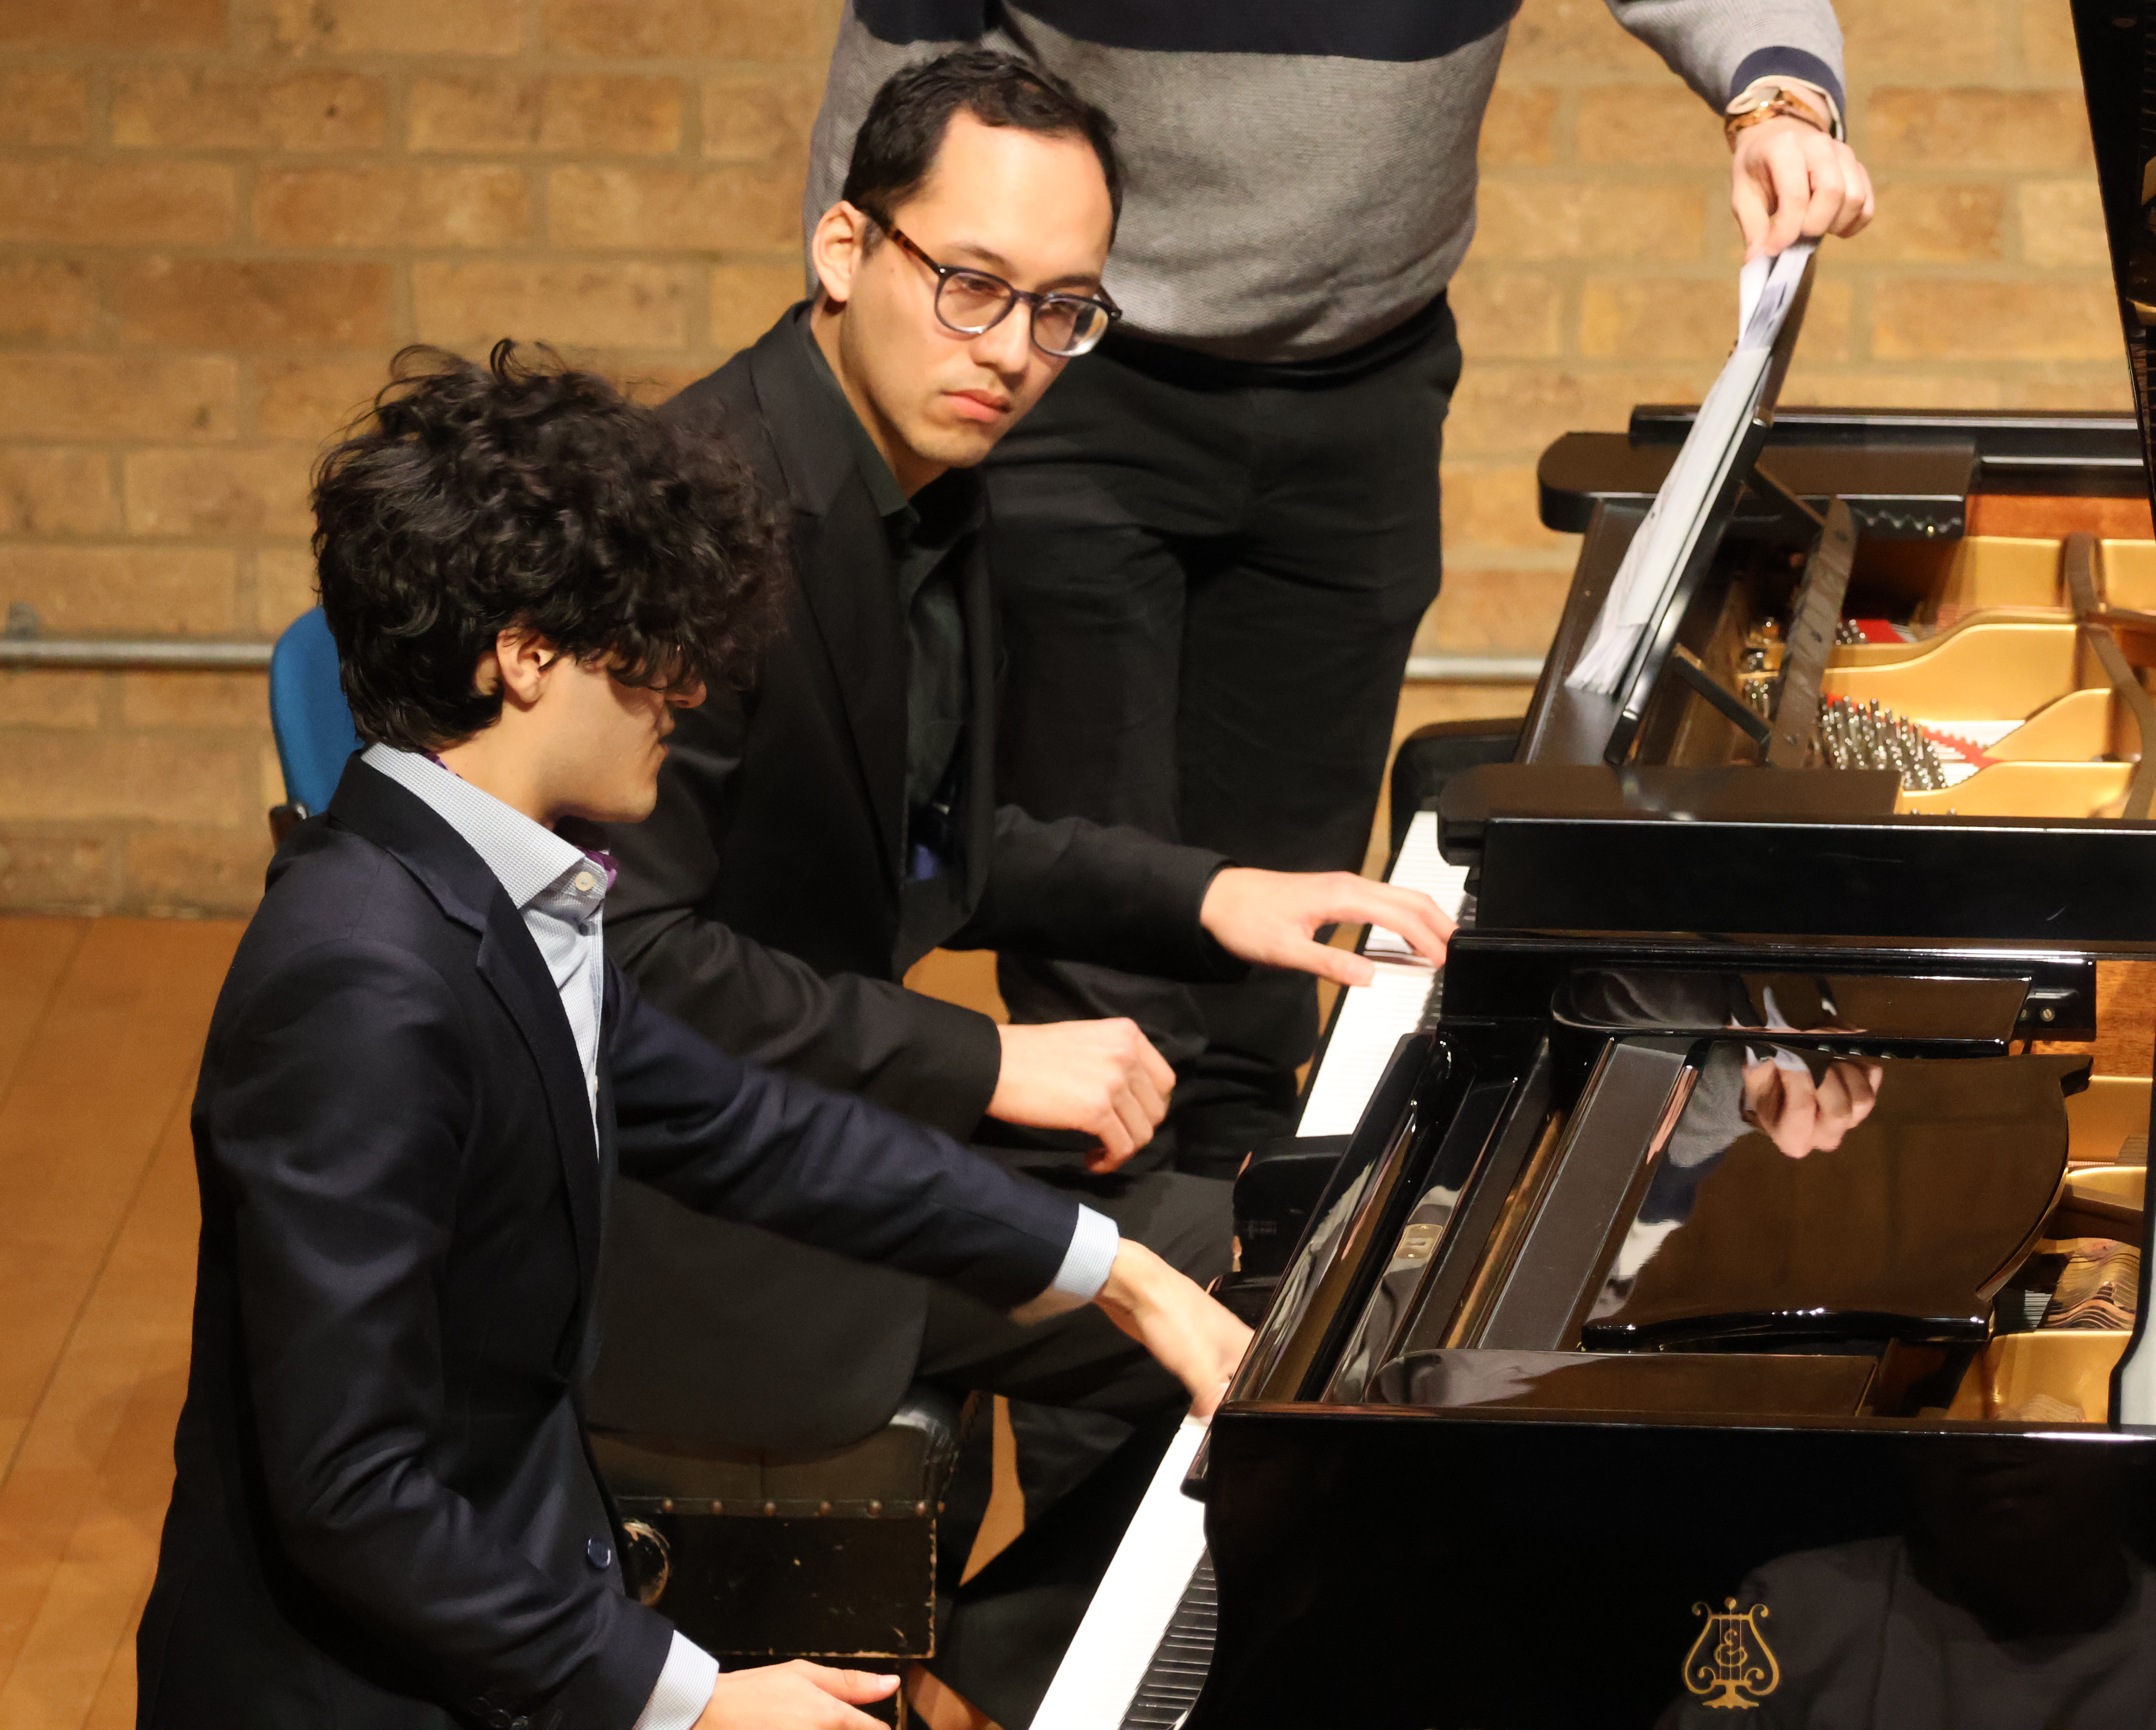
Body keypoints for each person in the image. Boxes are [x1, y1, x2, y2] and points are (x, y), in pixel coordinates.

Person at [134, 343, 1249, 1730]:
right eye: (648, 648)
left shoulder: (503, 885)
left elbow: (754, 1131)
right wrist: (697, 1698)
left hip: (512, 1602)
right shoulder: (360, 984)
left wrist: (1116, 1272)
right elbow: (352, 1492)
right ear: (525, 653)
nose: (687, 687)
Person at [592, 51, 1454, 1727]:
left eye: (1063, 312)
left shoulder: (928, 481)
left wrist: (1221, 897)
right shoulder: (695, 518)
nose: (1011, 353)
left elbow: (947, 844)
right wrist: (987, 1065)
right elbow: (634, 967)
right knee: (1288, 1317)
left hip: (826, 1130)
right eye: (972, 286)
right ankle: (1029, 1684)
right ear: (845, 247)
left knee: (1325, 1273)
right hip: (691, 1210)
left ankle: (1005, 1673)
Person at [801, 2, 1878, 1173]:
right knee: (1094, 887)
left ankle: (1241, 1250)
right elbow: (893, 81)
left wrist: (1781, 99)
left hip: (1364, 376)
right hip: (1077, 362)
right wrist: (848, 394)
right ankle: (1101, 1259)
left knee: (1288, 912)